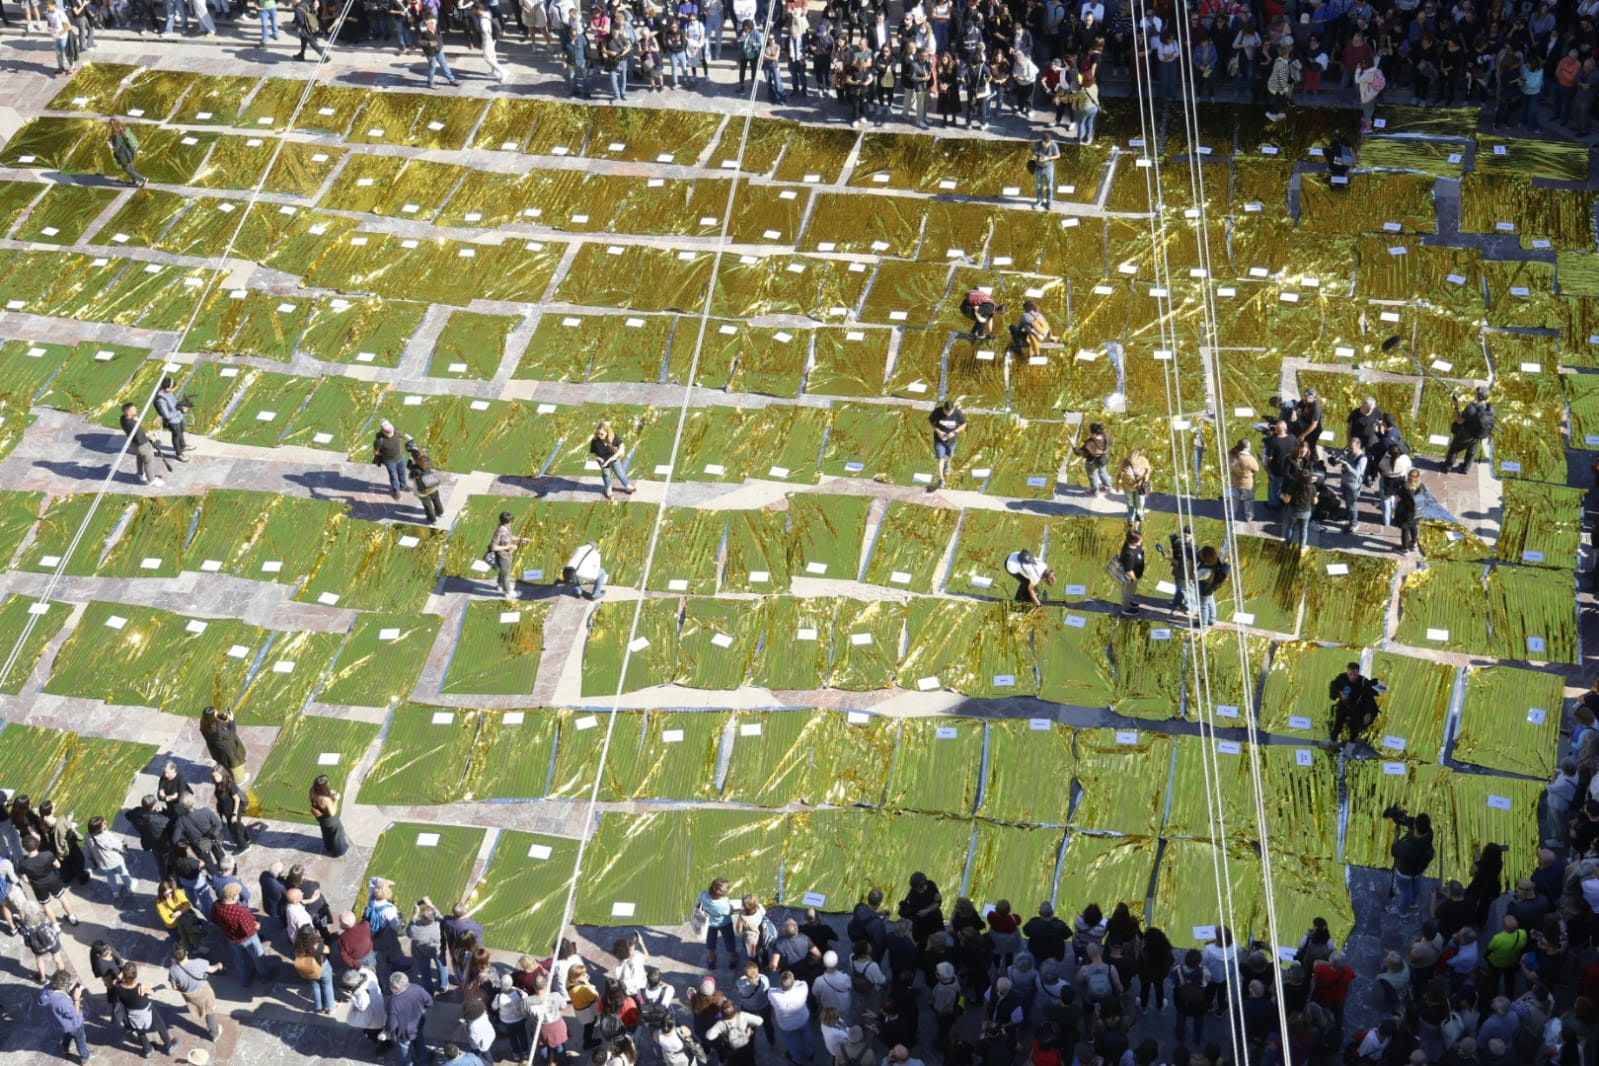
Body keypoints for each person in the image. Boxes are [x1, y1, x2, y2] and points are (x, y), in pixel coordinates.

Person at [115, 961, 179, 1059]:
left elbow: (117, 980)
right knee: (161, 1025)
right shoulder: (140, 987)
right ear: (135, 975)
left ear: (123, 975)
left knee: (140, 1031)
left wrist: (121, 976)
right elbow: (151, 991)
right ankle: (169, 1046)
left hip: (133, 1015)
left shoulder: (118, 988)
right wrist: (159, 987)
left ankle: (148, 1050)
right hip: (147, 1012)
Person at [18, 835, 78, 925]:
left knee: (46, 905)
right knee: (62, 898)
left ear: (25, 848)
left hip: (38, 886)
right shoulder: (48, 854)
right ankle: (72, 917)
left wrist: (33, 883)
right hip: (53, 880)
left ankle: (55, 925)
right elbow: (58, 865)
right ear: (37, 844)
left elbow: (25, 880)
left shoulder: (22, 864)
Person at [168, 943, 223, 1041]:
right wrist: (218, 965)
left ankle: (198, 1009)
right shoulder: (199, 963)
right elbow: (211, 970)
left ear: (174, 957)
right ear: (187, 953)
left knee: (197, 1005)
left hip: (190, 996)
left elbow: (174, 987)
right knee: (210, 1012)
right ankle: (214, 1033)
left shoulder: (173, 970)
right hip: (204, 993)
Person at [1387, 807, 1435, 915]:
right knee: (1415, 884)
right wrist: (1404, 818)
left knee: (1405, 891)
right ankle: (1414, 903)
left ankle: (1402, 911)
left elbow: (1394, 851)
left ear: (1415, 826)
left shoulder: (1407, 846)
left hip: (1405, 873)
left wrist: (1396, 836)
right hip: (1419, 869)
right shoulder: (1429, 833)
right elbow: (1413, 823)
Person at [40, 969, 90, 1062]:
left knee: (67, 1035)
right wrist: (76, 998)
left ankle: (64, 1048)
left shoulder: (46, 990)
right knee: (81, 1040)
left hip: (60, 1024)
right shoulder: (62, 1002)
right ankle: (85, 1057)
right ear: (62, 986)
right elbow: (74, 1014)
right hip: (74, 1024)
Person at [1329, 660, 1382, 747]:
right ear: (1347, 672)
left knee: (1354, 728)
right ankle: (1333, 740)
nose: (1353, 677)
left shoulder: (1362, 682)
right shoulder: (1341, 678)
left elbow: (1369, 697)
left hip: (1355, 708)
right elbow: (1333, 686)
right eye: (1351, 674)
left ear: (1358, 672)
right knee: (1337, 724)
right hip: (1343, 706)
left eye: (1355, 674)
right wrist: (1339, 694)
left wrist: (1368, 713)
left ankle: (1351, 745)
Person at [386, 971, 434, 1065]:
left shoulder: (393, 1002)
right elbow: (429, 1002)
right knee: (419, 1043)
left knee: (404, 1052)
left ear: (396, 988)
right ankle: (424, 1061)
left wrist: (388, 1032)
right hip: (418, 1025)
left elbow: (392, 1025)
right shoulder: (417, 988)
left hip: (403, 1033)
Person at [1446, 386, 1496, 472]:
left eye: (1476, 394)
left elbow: (1459, 421)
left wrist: (1456, 407)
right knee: (1471, 451)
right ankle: (1466, 468)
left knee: (1454, 448)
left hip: (1466, 433)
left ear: (1478, 396)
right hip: (1478, 434)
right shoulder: (1490, 409)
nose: (1474, 395)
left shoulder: (1471, 408)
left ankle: (1447, 466)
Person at [85, 815, 132, 902]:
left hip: (102, 863)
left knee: (110, 877)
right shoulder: (106, 836)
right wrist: (124, 848)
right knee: (123, 872)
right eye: (104, 824)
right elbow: (118, 845)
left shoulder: (88, 837)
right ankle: (129, 887)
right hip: (115, 860)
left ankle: (115, 892)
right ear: (99, 828)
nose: (105, 824)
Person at [199, 705, 247, 783]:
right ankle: (240, 781)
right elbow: (231, 733)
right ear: (212, 717)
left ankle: (224, 770)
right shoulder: (218, 731)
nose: (217, 712)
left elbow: (216, 721)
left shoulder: (204, 723)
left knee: (223, 762)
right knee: (234, 764)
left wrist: (223, 717)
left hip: (216, 750)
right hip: (228, 751)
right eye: (215, 712)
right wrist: (231, 720)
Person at [590, 421, 635, 500]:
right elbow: (593, 453)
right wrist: (599, 459)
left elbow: (622, 446)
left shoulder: (613, 437)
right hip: (603, 461)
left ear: (607, 433)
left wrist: (615, 456)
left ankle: (627, 485)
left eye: (602, 434)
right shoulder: (595, 441)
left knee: (620, 473)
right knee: (606, 475)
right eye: (598, 433)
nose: (599, 436)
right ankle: (608, 490)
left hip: (614, 458)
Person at [120, 402, 161, 486]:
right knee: (148, 462)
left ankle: (141, 474)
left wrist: (135, 420)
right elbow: (140, 438)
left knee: (139, 459)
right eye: (134, 410)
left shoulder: (123, 418)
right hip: (142, 446)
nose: (136, 410)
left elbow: (136, 433)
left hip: (134, 444)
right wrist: (151, 438)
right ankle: (151, 480)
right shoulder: (133, 424)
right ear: (128, 412)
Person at [929, 399, 965, 489]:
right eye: (946, 412)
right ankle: (941, 479)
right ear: (943, 409)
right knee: (940, 458)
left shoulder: (958, 413)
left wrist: (954, 432)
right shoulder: (937, 412)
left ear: (953, 409)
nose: (948, 414)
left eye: (950, 412)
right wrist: (938, 431)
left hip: (951, 441)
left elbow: (963, 424)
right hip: (939, 440)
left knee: (950, 455)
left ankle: (948, 464)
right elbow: (930, 421)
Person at [309, 775, 348, 857]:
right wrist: (336, 799)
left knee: (326, 832)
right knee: (337, 834)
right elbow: (332, 812)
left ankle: (329, 847)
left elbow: (314, 797)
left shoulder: (312, 791)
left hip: (320, 817)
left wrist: (329, 792)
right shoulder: (325, 800)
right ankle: (340, 851)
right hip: (330, 820)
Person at [406, 443, 445, 525]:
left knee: (427, 505)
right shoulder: (428, 462)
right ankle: (440, 512)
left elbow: (410, 473)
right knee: (436, 499)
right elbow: (422, 457)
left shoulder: (414, 468)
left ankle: (432, 520)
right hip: (433, 485)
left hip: (423, 490)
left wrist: (410, 461)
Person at [152, 376, 187, 461]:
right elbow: (166, 415)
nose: (173, 389)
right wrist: (179, 410)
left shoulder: (168, 392)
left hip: (178, 417)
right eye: (172, 388)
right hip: (173, 421)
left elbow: (174, 401)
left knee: (181, 431)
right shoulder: (160, 400)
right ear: (167, 388)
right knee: (176, 435)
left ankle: (183, 445)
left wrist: (181, 406)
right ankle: (179, 453)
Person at [1193, 545, 1229, 629]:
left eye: (1201, 553)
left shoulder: (1205, 569)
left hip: (1204, 589)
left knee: (1203, 606)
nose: (1199, 553)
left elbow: (1195, 577)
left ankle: (1203, 624)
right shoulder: (1216, 562)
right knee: (1210, 602)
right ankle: (1212, 619)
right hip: (1212, 587)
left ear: (1205, 557)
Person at [419, 15, 459, 87]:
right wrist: (428, 43)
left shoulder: (435, 25)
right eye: (428, 21)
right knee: (433, 67)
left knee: (444, 64)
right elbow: (420, 41)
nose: (431, 22)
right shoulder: (421, 29)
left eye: (432, 20)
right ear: (425, 21)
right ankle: (430, 82)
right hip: (430, 51)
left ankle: (451, 79)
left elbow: (439, 35)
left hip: (439, 49)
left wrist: (440, 45)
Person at [373, 421, 409, 499]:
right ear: (383, 431)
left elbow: (402, 436)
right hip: (390, 462)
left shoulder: (396, 431)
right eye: (387, 432)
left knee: (402, 472)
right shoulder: (379, 440)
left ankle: (403, 486)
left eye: (390, 432)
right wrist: (385, 455)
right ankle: (396, 491)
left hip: (400, 457)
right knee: (394, 477)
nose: (390, 434)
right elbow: (376, 452)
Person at [1114, 528, 1144, 616]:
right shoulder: (1129, 555)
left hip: (1135, 575)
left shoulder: (1132, 545)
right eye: (1140, 539)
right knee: (1127, 592)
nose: (1141, 540)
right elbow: (1128, 571)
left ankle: (1130, 601)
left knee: (1131, 591)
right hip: (1129, 577)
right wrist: (1135, 579)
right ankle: (1126, 609)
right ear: (1134, 541)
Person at [1228, 439, 1260, 523]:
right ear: (1246, 447)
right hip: (1246, 484)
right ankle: (1248, 516)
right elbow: (1256, 468)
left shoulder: (1232, 455)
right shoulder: (1249, 459)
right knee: (1248, 500)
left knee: (1234, 499)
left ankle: (1230, 514)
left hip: (1234, 481)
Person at [1115, 449, 1151, 521]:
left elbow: (1148, 470)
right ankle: (1131, 515)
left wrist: (1145, 480)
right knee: (1130, 501)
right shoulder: (1125, 462)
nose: (1131, 461)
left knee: (1140, 501)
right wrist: (1117, 484)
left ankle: (1139, 513)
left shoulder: (1143, 461)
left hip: (1140, 487)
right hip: (1128, 486)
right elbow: (1118, 473)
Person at [1076, 422, 1112, 496]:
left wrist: (1073, 444)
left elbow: (1079, 453)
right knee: (1103, 472)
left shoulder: (1090, 442)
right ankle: (1107, 487)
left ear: (1093, 433)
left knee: (1092, 476)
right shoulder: (1107, 436)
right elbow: (1110, 443)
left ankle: (1095, 491)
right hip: (1103, 459)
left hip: (1092, 462)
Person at [1394, 468, 1423, 553]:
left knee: (1405, 530)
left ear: (1408, 477)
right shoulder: (1421, 486)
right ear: (1418, 477)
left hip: (1406, 513)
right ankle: (1414, 544)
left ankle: (1404, 548)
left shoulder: (1404, 489)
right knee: (1414, 526)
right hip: (1418, 512)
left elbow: (1397, 500)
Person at [1031, 131, 1060, 210]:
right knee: (1039, 185)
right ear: (1042, 141)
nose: (1047, 145)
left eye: (1048, 143)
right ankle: (1039, 201)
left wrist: (1048, 158)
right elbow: (1033, 153)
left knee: (1050, 186)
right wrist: (1036, 158)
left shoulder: (1053, 145)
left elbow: (1058, 155)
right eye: (1045, 143)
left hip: (1049, 167)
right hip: (1038, 167)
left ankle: (1049, 202)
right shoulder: (1036, 144)